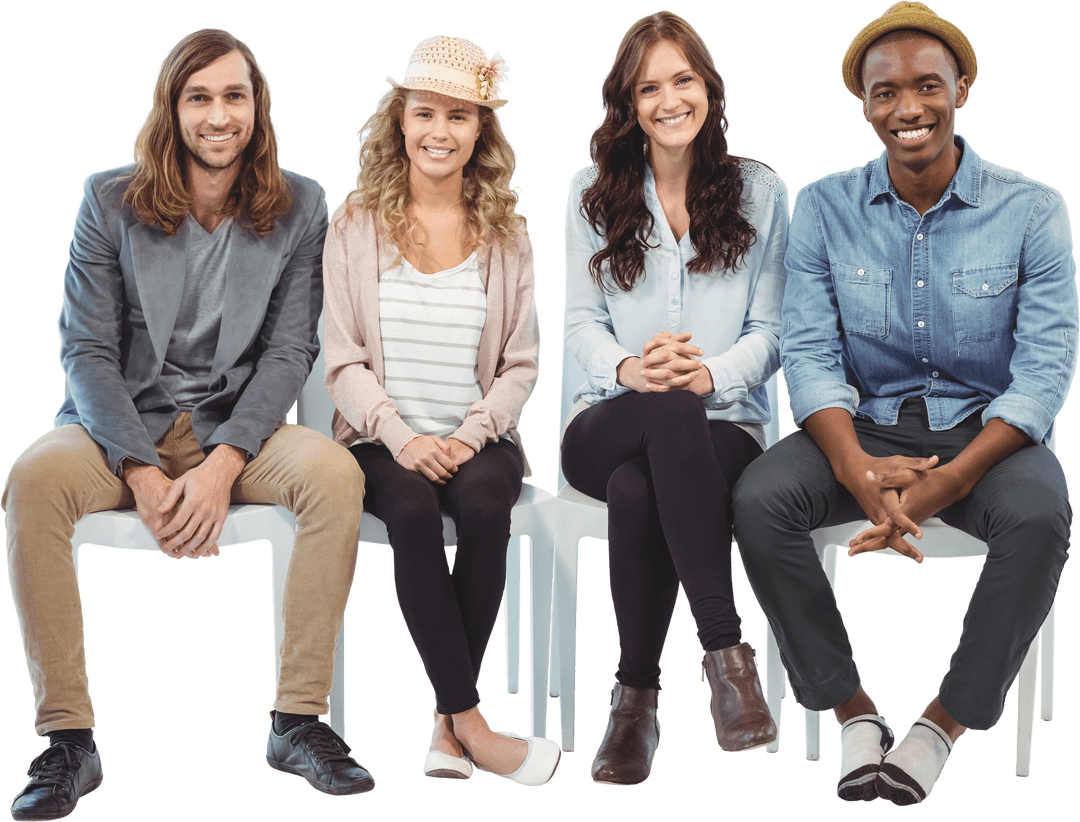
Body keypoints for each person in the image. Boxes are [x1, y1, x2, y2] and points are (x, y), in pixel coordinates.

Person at [3, 28, 376, 820]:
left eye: (233, 96)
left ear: (257, 108)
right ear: (172, 110)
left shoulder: (303, 204)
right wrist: (138, 470)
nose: (217, 115)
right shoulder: (107, 199)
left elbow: (289, 351)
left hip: (234, 425)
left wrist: (222, 465)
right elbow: (86, 348)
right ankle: (69, 740)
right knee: (32, 479)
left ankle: (298, 721)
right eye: (198, 97)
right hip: (120, 425)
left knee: (338, 474)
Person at [733, 1, 1076, 807]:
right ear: (864, 103)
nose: (908, 109)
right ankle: (853, 713)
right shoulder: (823, 205)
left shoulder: (1033, 208)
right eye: (885, 93)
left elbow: (1045, 370)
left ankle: (939, 726)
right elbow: (810, 355)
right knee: (757, 497)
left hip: (988, 433)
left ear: (964, 88)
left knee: (1040, 515)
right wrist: (855, 470)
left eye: (928, 86)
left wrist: (946, 484)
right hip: (863, 425)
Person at [322, 36, 558, 787]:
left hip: (478, 437)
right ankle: (470, 723)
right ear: (399, 121)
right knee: (414, 513)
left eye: (460, 117)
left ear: (481, 131)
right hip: (376, 441)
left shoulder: (506, 233)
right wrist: (400, 436)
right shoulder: (354, 224)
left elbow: (521, 364)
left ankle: (441, 724)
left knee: (489, 506)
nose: (440, 132)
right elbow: (341, 360)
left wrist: (466, 434)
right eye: (425, 113)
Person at [561, 10, 787, 785]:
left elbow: (772, 332)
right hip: (607, 421)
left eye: (682, 80)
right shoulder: (589, 194)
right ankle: (727, 657)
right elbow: (580, 325)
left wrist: (710, 375)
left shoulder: (762, 193)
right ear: (627, 104)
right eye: (648, 87)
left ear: (709, 90)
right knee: (651, 428)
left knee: (641, 486)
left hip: (723, 428)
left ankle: (633, 705)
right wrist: (631, 371)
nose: (668, 100)